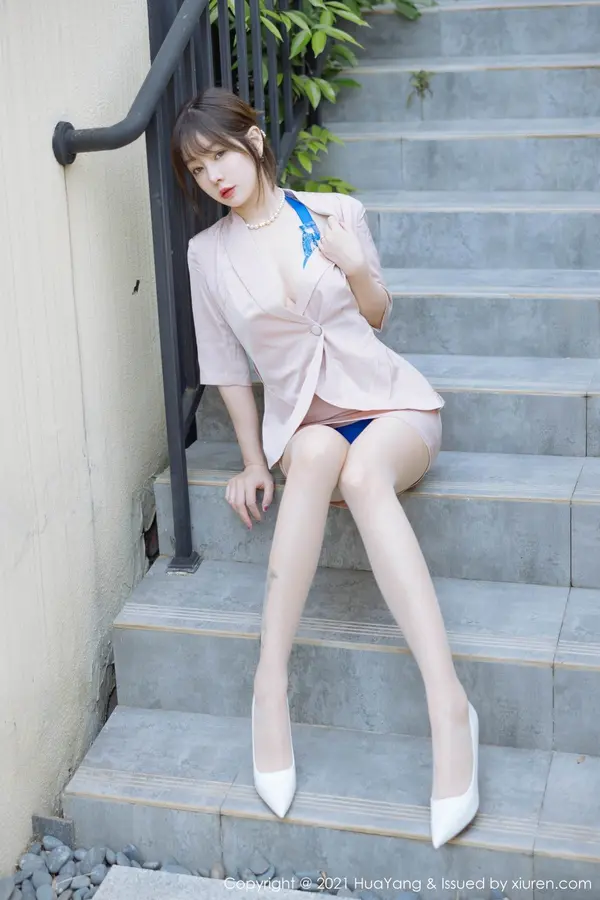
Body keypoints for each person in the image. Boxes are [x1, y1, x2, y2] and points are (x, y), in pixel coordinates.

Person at [171, 86, 479, 849]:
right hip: (305, 421)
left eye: (221, 154)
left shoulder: (334, 213)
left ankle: (449, 705)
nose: (214, 176)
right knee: (312, 455)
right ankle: (269, 687)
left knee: (364, 476)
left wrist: (357, 266)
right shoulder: (207, 254)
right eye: (198, 168)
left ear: (254, 141)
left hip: (390, 405)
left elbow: (377, 315)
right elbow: (226, 369)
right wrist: (252, 461)